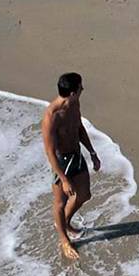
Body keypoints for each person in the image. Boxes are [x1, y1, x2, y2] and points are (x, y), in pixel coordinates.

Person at [42, 72, 100, 260]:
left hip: (76, 154)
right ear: (73, 92)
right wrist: (65, 180)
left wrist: (92, 153)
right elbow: (50, 152)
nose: (83, 89)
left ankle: (64, 222)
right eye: (81, 87)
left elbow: (79, 127)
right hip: (61, 161)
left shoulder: (74, 104)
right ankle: (64, 240)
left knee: (84, 195)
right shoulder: (52, 116)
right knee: (60, 202)